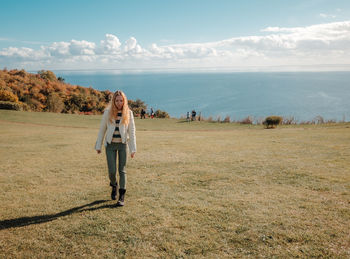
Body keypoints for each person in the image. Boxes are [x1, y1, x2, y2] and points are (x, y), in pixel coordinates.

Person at [95, 90, 136, 206]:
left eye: (121, 100)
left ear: (124, 101)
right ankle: (114, 185)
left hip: (123, 145)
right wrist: (98, 145)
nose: (119, 103)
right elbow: (102, 130)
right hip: (110, 145)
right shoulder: (107, 113)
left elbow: (132, 132)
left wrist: (133, 149)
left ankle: (121, 196)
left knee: (122, 170)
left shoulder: (129, 113)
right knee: (112, 171)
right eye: (117, 100)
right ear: (113, 101)